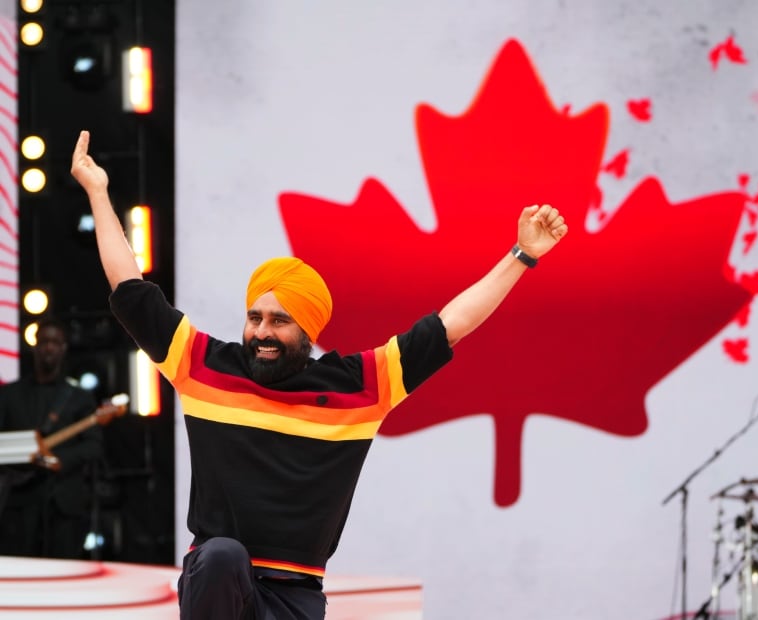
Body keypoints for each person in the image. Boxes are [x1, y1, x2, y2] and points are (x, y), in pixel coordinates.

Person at [70, 129, 568, 619]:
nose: (263, 331)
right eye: (255, 317)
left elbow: (449, 327)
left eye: (279, 321)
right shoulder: (204, 366)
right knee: (223, 555)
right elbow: (130, 289)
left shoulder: (357, 387)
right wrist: (98, 192)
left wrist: (521, 256)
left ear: (307, 332)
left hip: (296, 597)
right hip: (216, 584)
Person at [0, 316, 102, 559]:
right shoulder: (9, 395)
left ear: (64, 348)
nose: (49, 347)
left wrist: (59, 460)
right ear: (34, 346)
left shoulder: (78, 397)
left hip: (65, 505)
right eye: (44, 341)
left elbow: (94, 446)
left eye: (55, 342)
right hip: (19, 502)